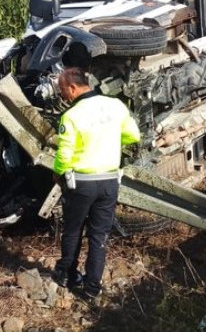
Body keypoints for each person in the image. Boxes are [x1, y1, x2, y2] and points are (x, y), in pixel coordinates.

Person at [51, 67, 141, 299]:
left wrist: (57, 173)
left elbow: (64, 153)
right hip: (109, 181)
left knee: (73, 230)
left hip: (81, 183)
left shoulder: (71, 116)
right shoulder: (115, 105)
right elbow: (133, 135)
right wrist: (109, 141)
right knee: (99, 235)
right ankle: (92, 288)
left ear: (73, 87)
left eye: (63, 91)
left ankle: (68, 275)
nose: (63, 96)